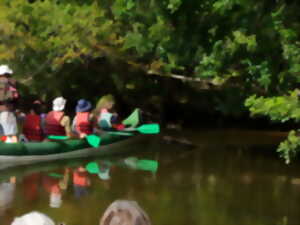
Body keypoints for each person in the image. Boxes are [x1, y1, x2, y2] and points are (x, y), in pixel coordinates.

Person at [0, 65, 19, 143]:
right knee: (11, 135)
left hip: (1, 111)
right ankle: (14, 151)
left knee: (2, 136)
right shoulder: (11, 82)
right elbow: (15, 96)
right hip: (7, 111)